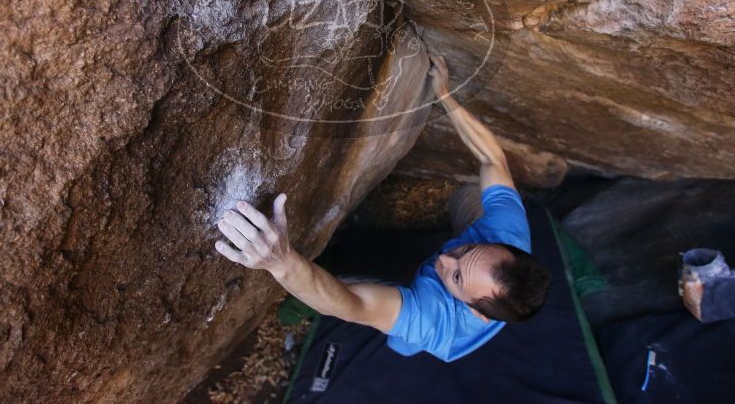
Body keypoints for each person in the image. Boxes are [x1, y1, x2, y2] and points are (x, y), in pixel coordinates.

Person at [214, 53, 551, 361]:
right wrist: (444, 94)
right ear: (503, 245)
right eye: (468, 249)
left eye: (458, 275)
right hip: (481, 261)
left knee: (346, 289)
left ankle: (306, 298)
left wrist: (282, 262)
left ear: (474, 309)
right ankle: (467, 246)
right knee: (472, 196)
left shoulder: (430, 321)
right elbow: (491, 156)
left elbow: (352, 306)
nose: (445, 258)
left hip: (425, 326)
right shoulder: (507, 228)